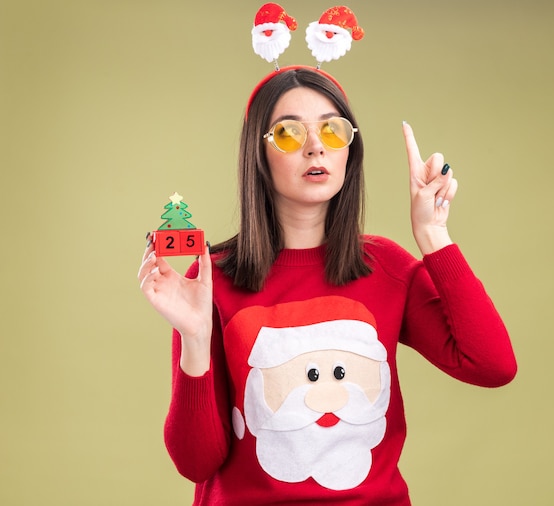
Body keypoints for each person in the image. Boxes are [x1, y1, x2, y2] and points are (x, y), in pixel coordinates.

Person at [138, 65, 517, 505]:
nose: (315, 146)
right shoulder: (213, 279)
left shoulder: (386, 267)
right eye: (288, 133)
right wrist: (195, 337)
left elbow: (493, 366)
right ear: (258, 154)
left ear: (349, 152)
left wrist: (434, 235)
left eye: (332, 130)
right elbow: (196, 463)